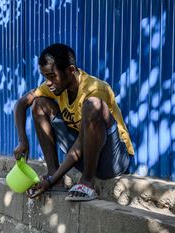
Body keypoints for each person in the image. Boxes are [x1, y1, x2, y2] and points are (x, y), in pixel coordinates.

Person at [13, 43, 135, 202]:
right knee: (39, 105)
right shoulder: (54, 87)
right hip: (85, 155)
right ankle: (52, 172)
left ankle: (87, 181)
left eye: (52, 76)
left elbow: (79, 145)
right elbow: (22, 104)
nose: (48, 82)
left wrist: (50, 182)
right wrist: (23, 141)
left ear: (70, 70)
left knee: (93, 106)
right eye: (45, 77)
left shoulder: (95, 89)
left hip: (113, 160)